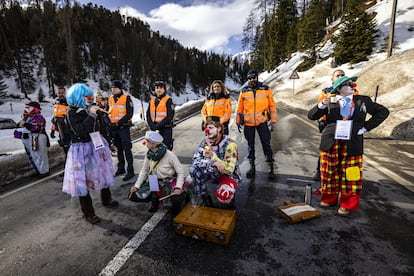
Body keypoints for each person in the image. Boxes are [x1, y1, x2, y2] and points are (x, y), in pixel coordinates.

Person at [308, 76, 389, 216]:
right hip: (331, 141)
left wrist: (366, 128)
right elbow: (311, 116)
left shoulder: (362, 100)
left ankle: (347, 204)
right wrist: (321, 105)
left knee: (351, 174)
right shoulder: (331, 100)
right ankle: (329, 198)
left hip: (353, 143)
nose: (352, 85)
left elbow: (383, 112)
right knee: (329, 172)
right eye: (348, 84)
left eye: (352, 83)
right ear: (339, 88)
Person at [63, 83, 118, 224]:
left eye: (90, 95)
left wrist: (109, 143)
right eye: (86, 96)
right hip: (81, 149)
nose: (89, 98)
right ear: (77, 97)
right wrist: (92, 114)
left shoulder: (90, 109)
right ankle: (88, 213)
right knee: (83, 180)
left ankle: (107, 199)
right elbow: (80, 130)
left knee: (103, 172)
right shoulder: (71, 113)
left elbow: (101, 128)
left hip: (97, 145)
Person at [129, 131, 188, 214]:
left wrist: (178, 187)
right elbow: (144, 171)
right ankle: (154, 202)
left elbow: (180, 172)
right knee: (133, 195)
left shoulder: (170, 155)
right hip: (153, 179)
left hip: (168, 181)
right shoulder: (148, 154)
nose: (145, 143)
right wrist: (137, 186)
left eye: (147, 141)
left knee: (177, 198)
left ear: (153, 144)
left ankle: (176, 207)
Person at [189, 116, 241, 208]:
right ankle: (203, 196)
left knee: (224, 196)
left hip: (228, 175)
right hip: (213, 172)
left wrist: (213, 157)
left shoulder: (230, 144)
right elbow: (196, 160)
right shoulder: (205, 141)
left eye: (211, 128)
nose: (207, 131)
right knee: (194, 170)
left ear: (219, 128)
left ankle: (230, 199)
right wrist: (212, 163)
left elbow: (228, 169)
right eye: (206, 128)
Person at [236, 70, 277, 179]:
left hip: (262, 122)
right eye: (249, 78)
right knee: (250, 145)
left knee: (266, 143)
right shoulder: (244, 91)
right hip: (248, 123)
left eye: (253, 77)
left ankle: (270, 165)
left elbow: (272, 106)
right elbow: (239, 108)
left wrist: (272, 121)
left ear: (257, 78)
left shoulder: (265, 89)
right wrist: (238, 121)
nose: (251, 80)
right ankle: (252, 167)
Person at [108, 80, 135, 181]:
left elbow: (129, 113)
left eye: (115, 87)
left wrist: (118, 123)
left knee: (127, 149)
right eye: (112, 87)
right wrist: (110, 124)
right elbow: (108, 112)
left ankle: (130, 170)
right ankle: (121, 168)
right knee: (118, 149)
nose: (113, 89)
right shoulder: (110, 99)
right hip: (114, 129)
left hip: (123, 127)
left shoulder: (126, 98)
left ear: (120, 88)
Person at [16, 102, 50, 176]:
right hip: (29, 139)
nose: (26, 109)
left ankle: (44, 171)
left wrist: (25, 124)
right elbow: (19, 126)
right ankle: (38, 170)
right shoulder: (27, 117)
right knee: (33, 156)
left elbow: (36, 127)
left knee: (40, 155)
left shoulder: (39, 117)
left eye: (29, 108)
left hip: (38, 138)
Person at [146, 80, 175, 150]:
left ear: (164, 89)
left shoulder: (168, 100)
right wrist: (152, 125)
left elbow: (169, 116)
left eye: (161, 88)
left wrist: (157, 126)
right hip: (154, 128)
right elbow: (148, 115)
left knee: (165, 148)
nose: (159, 90)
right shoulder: (152, 100)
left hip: (165, 128)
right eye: (157, 88)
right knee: (154, 149)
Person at [50, 86, 71, 155]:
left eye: (62, 93)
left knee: (71, 148)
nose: (61, 94)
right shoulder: (57, 103)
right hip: (60, 130)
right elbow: (55, 118)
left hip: (69, 130)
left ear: (65, 93)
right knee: (65, 149)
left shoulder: (69, 102)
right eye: (59, 93)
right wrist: (52, 130)